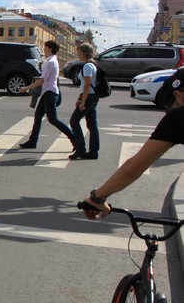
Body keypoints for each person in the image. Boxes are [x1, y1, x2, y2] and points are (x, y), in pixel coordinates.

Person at [82, 68, 184, 219]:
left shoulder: (178, 116)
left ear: (178, 95)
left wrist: (97, 198)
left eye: (169, 108)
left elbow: (132, 168)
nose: (168, 113)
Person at [18, 40, 75, 150]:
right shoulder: (51, 61)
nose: (44, 49)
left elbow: (43, 80)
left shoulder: (51, 62)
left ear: (50, 49)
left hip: (50, 93)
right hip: (47, 93)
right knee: (38, 116)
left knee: (53, 119)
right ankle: (32, 141)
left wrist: (27, 88)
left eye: (45, 47)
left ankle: (74, 139)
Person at [68, 43, 100, 160]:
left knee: (74, 121)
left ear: (85, 53)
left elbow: (87, 84)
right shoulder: (93, 65)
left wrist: (82, 101)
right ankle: (93, 152)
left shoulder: (87, 66)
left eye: (79, 52)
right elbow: (86, 86)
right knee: (92, 125)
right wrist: (79, 98)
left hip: (89, 97)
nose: (78, 54)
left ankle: (80, 149)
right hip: (93, 97)